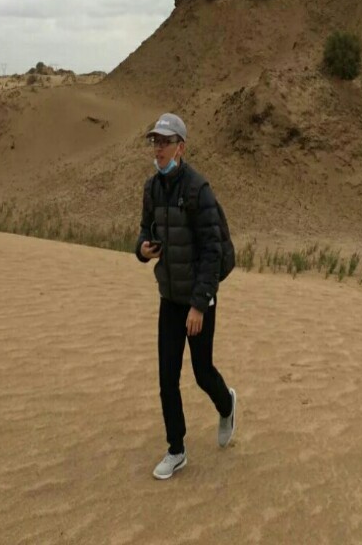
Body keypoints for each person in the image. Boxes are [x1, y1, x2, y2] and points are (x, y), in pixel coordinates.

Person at [135, 112, 236, 480]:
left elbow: (212, 250)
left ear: (181, 147)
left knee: (202, 372)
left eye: (165, 142)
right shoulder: (152, 189)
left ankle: (226, 404)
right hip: (169, 297)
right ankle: (176, 449)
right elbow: (144, 230)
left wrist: (199, 304)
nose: (158, 148)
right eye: (155, 141)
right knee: (167, 377)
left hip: (198, 300)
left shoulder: (197, 189)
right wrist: (142, 249)